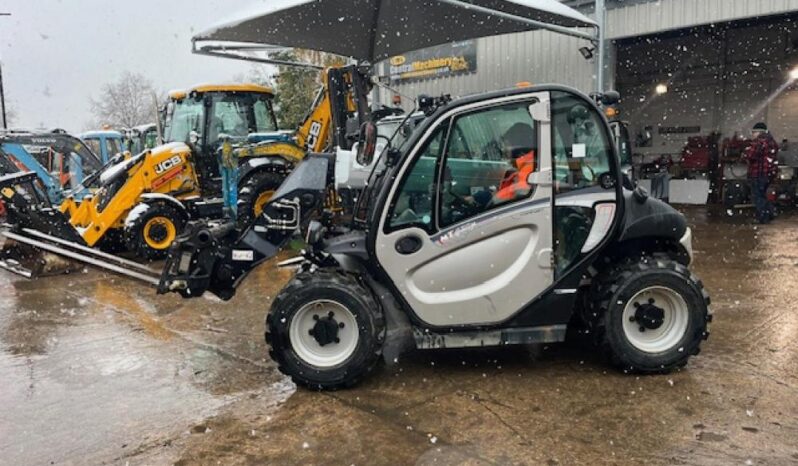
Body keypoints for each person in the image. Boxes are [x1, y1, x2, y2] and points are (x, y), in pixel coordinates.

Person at [744, 122, 779, 224]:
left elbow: (751, 155)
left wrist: (745, 152)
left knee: (758, 196)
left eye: (754, 132)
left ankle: (763, 218)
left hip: (758, 173)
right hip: (769, 173)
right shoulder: (772, 142)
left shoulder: (759, 142)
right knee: (765, 195)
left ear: (759, 132)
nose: (752, 134)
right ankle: (770, 215)